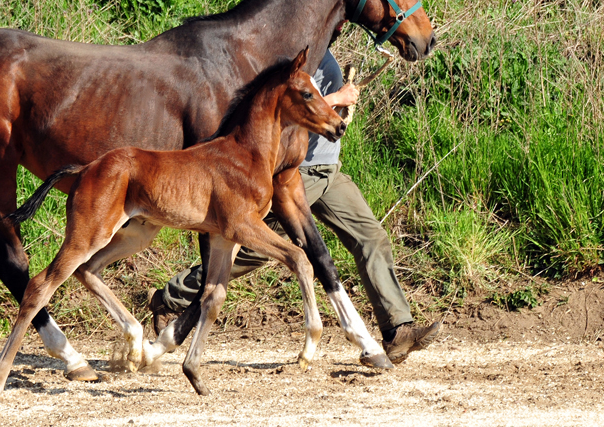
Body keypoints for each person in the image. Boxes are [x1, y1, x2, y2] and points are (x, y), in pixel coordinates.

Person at [148, 49, 441, 364]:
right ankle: (174, 297)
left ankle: (398, 330)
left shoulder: (324, 54)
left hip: (329, 169)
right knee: (253, 248)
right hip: (296, 174)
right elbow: (280, 112)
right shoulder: (290, 58)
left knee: (371, 237)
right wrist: (336, 98)